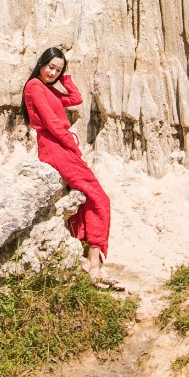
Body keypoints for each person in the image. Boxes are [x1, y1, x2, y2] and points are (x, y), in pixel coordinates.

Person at [22, 47, 121, 290]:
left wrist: (66, 77)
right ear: (41, 63)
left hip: (60, 147)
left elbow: (76, 99)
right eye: (50, 67)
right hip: (55, 148)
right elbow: (53, 124)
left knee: (90, 198)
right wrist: (74, 148)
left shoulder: (49, 89)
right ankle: (95, 266)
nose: (52, 72)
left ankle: (90, 259)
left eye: (57, 69)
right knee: (100, 198)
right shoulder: (34, 86)